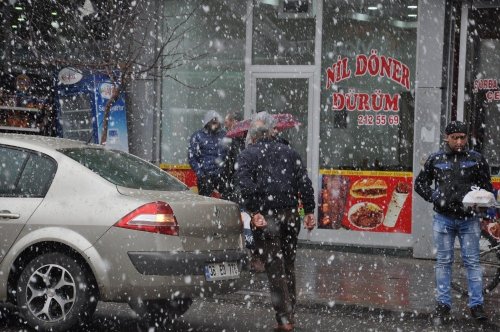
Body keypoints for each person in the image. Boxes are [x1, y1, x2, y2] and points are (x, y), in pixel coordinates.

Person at [235, 119, 316, 332]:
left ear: (252, 136)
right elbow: (304, 183)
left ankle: (284, 319)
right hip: (290, 214)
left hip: (267, 215)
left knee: (274, 266)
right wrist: (308, 210)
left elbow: (245, 184)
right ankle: (290, 314)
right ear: (271, 133)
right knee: (289, 263)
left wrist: (254, 211)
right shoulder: (289, 152)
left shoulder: (248, 155)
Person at [415, 121, 493, 326]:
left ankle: (477, 306)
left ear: (467, 138)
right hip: (443, 219)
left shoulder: (476, 159)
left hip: (469, 220)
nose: (459, 141)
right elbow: (420, 184)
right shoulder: (435, 159)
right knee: (443, 262)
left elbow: (487, 188)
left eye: (463, 137)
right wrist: (434, 196)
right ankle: (443, 305)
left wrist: (483, 208)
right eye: (455, 137)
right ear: (446, 138)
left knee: (473, 263)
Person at [188, 110, 227, 197]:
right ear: (207, 122)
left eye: (217, 122)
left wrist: (222, 171)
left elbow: (227, 156)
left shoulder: (223, 135)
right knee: (206, 204)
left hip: (220, 177)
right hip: (205, 177)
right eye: (213, 122)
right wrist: (201, 174)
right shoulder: (198, 136)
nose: (215, 125)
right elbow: (192, 157)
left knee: (225, 203)